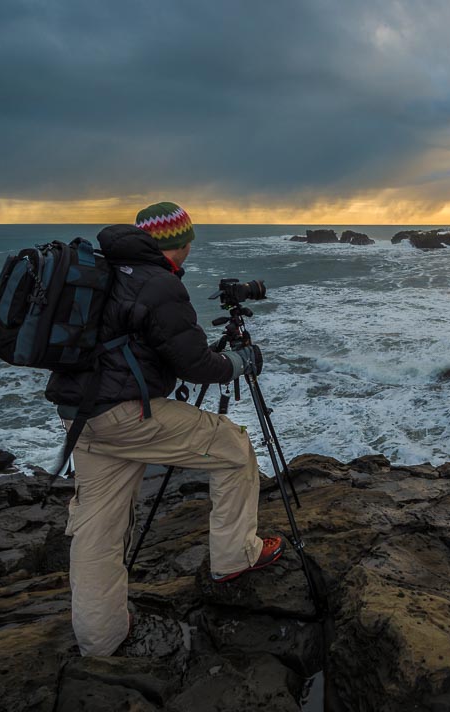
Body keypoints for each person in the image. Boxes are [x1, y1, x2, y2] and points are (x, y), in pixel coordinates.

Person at [45, 201, 284, 656]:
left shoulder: (102, 270)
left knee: (98, 527)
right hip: (124, 414)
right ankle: (236, 556)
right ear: (180, 244)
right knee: (234, 447)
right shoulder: (159, 284)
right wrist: (239, 362)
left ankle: (101, 638)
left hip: (80, 415)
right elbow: (196, 364)